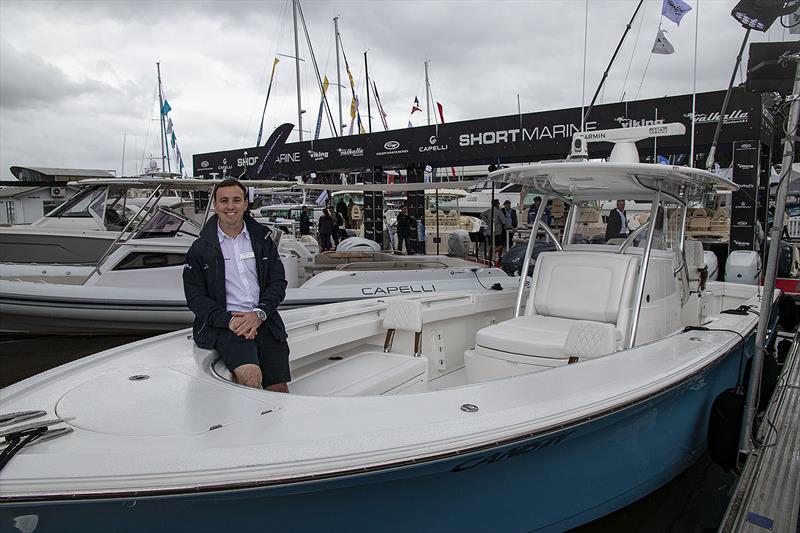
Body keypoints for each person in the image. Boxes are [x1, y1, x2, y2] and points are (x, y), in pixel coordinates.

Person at [183, 178, 290, 393]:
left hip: (264, 320)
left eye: (236, 200)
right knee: (251, 377)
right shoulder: (200, 248)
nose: (230, 206)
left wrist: (259, 314)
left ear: (245, 204)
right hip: (226, 325)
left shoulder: (262, 240)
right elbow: (195, 298)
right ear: (215, 205)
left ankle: (272, 426)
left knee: (278, 388)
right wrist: (229, 321)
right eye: (224, 201)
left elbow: (278, 282)